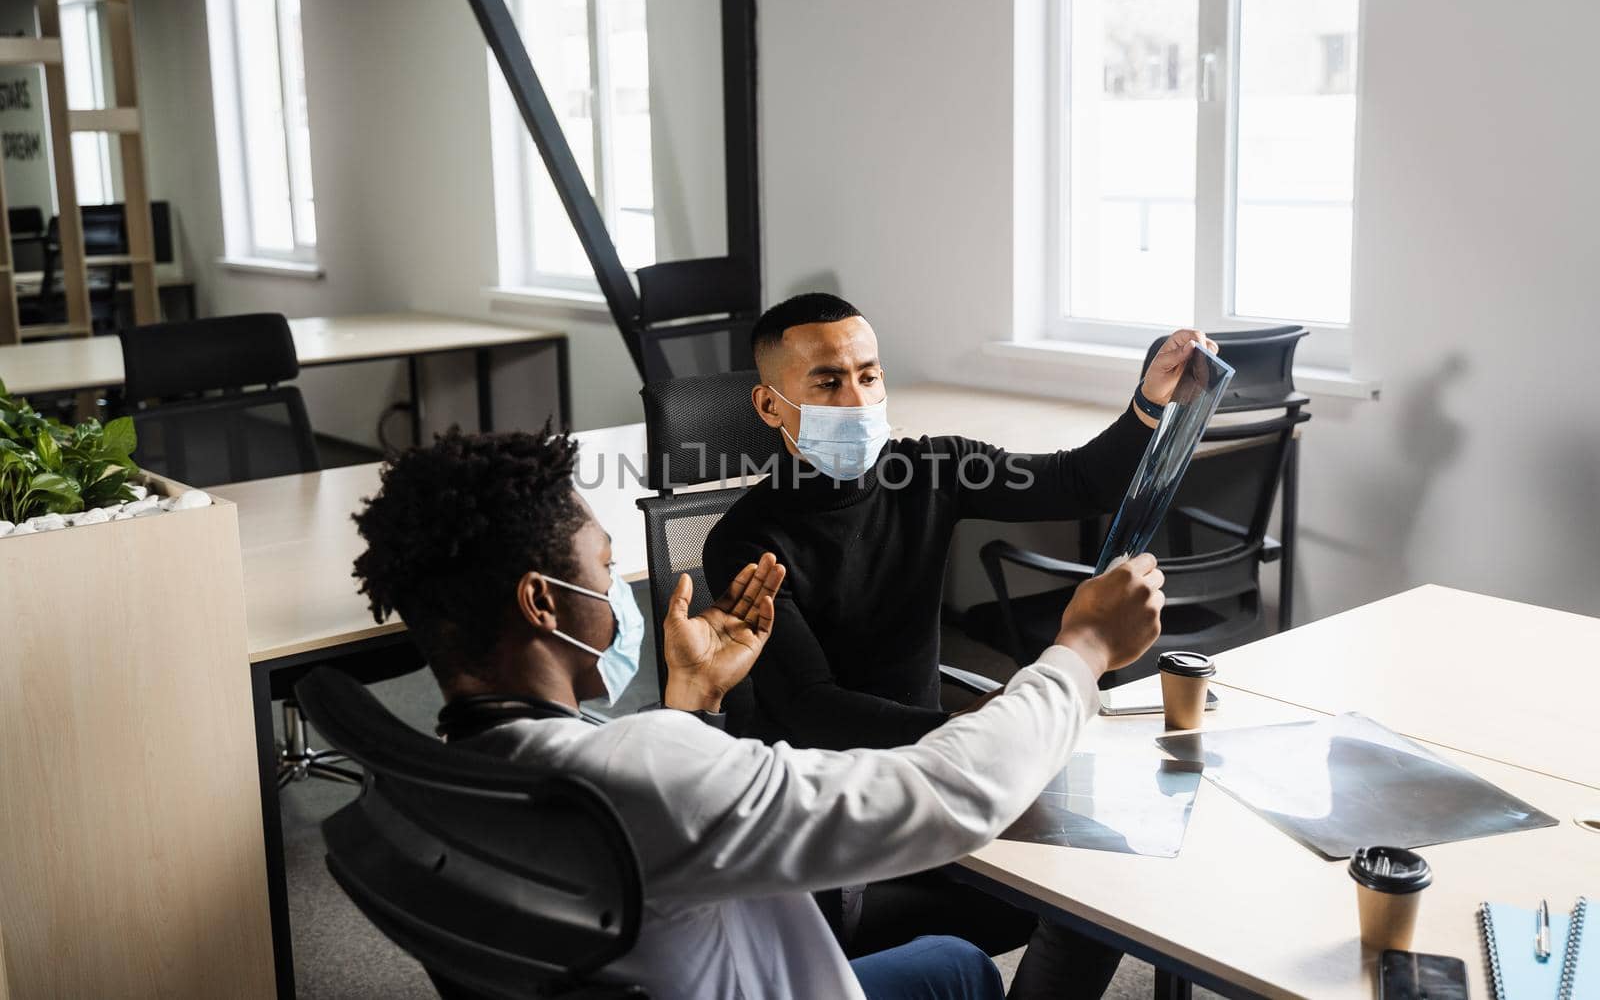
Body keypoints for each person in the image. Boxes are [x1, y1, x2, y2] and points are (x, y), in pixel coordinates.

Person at [351, 426, 1165, 1000]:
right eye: (604, 566)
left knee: (956, 964)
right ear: (541, 602)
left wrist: (693, 703)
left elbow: (663, 829)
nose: (613, 589)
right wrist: (1083, 650)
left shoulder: (433, 775)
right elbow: (949, 795)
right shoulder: (633, 770)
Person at [702, 292, 1216, 997]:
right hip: (837, 824)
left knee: (1106, 882)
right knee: (1069, 904)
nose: (856, 397)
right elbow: (814, 707)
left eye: (869, 373)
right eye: (827, 380)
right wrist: (977, 734)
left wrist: (1148, 403)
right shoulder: (745, 539)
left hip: (943, 779)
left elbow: (1079, 479)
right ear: (769, 407)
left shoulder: (932, 470)